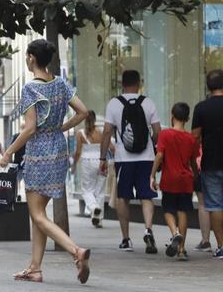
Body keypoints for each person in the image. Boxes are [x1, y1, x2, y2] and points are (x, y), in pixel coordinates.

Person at [0, 39, 91, 284]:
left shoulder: (31, 88)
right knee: (38, 213)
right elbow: (83, 111)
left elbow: (29, 129)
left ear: (30, 58)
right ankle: (34, 268)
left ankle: (75, 251)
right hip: (58, 150)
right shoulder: (60, 83)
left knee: (37, 214)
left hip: (38, 151)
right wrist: (62, 127)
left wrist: (8, 152)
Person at [99, 70, 162, 253]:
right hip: (147, 158)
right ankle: (148, 229)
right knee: (147, 196)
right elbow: (158, 132)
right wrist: (151, 144)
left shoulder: (114, 104)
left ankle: (126, 239)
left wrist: (103, 158)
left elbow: (107, 132)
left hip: (123, 159)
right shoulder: (148, 102)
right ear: (139, 83)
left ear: (122, 84)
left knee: (123, 197)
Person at [149, 103, 199, 261]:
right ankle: (182, 250)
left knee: (169, 210)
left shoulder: (165, 134)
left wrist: (152, 175)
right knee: (182, 211)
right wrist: (196, 175)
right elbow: (193, 161)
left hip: (170, 179)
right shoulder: (191, 138)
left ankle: (174, 233)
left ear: (172, 115)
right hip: (186, 180)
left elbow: (159, 155)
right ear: (188, 119)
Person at [191, 69, 223, 259]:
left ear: (208, 87)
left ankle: (220, 246)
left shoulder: (201, 108)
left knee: (216, 205)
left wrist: (193, 161)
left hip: (210, 162)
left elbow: (195, 136)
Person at [72, 110, 108, 227]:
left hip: (87, 162)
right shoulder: (101, 132)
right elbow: (110, 147)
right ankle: (99, 219)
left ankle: (93, 207)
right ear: (95, 119)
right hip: (101, 161)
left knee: (87, 189)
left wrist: (74, 165)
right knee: (100, 191)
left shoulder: (80, 133)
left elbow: (78, 152)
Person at [194, 144, 213, 252]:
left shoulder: (201, 129)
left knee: (202, 204)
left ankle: (205, 241)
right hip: (217, 166)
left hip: (202, 167)